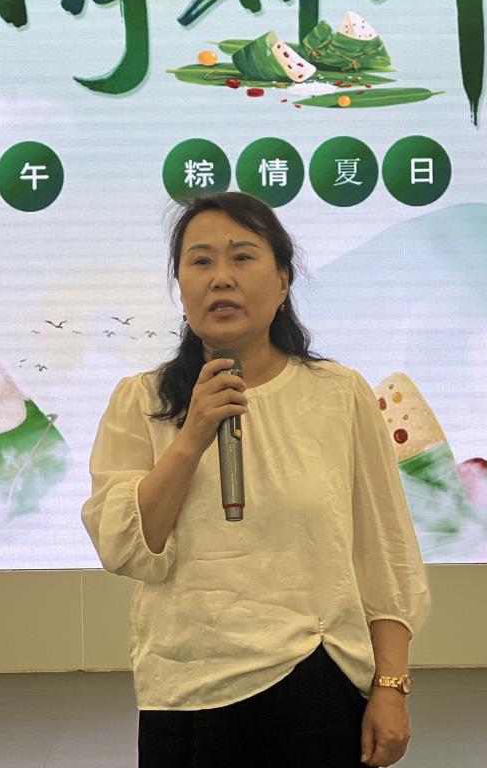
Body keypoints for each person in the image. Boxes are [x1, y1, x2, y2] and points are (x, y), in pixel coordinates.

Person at [81, 192, 430, 768]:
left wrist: (391, 685)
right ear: (180, 286)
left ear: (283, 281)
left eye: (242, 257)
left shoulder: (339, 394)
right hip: (190, 690)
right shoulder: (140, 401)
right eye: (200, 261)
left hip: (319, 680)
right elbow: (125, 547)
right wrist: (192, 434)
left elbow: (385, 551)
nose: (221, 278)